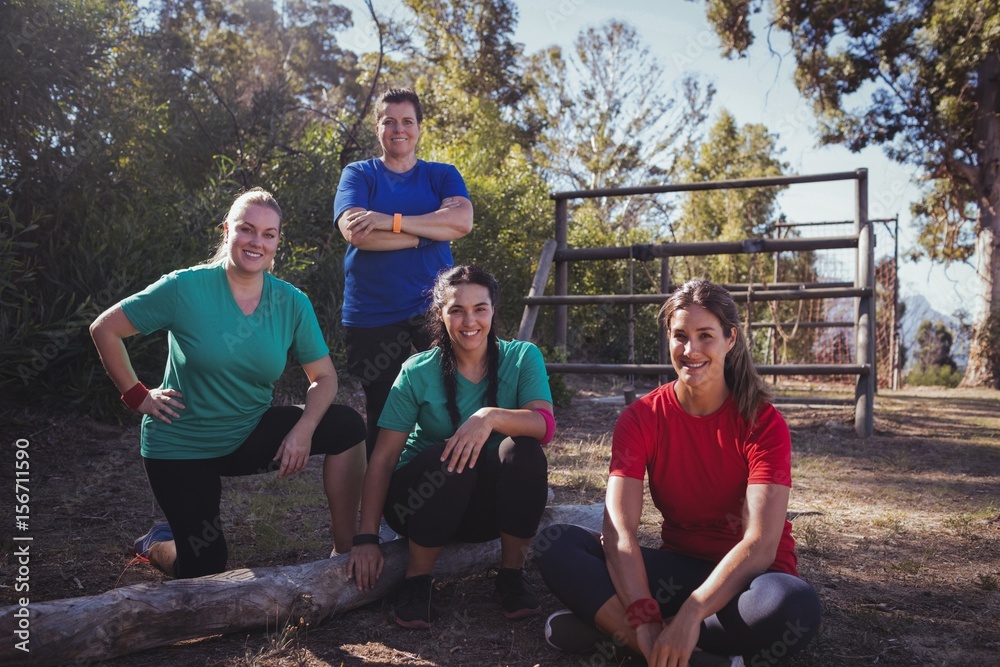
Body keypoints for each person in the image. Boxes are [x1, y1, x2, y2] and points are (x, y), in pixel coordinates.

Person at [536, 280, 821, 666]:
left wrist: (691, 614)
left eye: (706, 336)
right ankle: (678, 651)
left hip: (750, 582)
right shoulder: (641, 419)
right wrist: (644, 615)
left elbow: (760, 545)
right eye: (680, 336)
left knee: (793, 606)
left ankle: (616, 633)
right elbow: (619, 530)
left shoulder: (762, 422)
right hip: (678, 573)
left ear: (730, 339)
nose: (691, 350)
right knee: (556, 543)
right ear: (668, 338)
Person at [90, 188, 367, 579]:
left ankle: (344, 551)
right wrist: (138, 396)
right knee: (204, 566)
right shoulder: (185, 288)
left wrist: (303, 430)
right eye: (247, 229)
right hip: (181, 444)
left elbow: (324, 377)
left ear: (277, 242)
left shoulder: (290, 302)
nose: (257, 241)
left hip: (246, 433)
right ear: (226, 231)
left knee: (347, 426)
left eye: (268, 234)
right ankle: (156, 543)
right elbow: (105, 329)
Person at [346, 265, 556, 628]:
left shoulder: (523, 357)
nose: (468, 320)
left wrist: (488, 417)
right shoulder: (417, 370)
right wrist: (366, 538)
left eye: (480, 309)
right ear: (440, 314)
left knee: (523, 450)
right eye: (456, 309)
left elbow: (544, 425)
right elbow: (382, 459)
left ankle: (511, 576)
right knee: (452, 457)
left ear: (493, 311)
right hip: (419, 503)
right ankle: (417, 582)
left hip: (486, 512)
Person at [334, 87, 474, 459]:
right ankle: (380, 510)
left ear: (419, 128)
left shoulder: (441, 175)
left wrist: (389, 221)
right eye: (389, 121)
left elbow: (461, 222)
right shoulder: (359, 174)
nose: (399, 129)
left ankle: (452, 486)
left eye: (407, 121)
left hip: (436, 309)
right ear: (377, 128)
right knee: (384, 412)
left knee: (451, 399)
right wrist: (424, 235)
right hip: (373, 312)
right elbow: (357, 234)